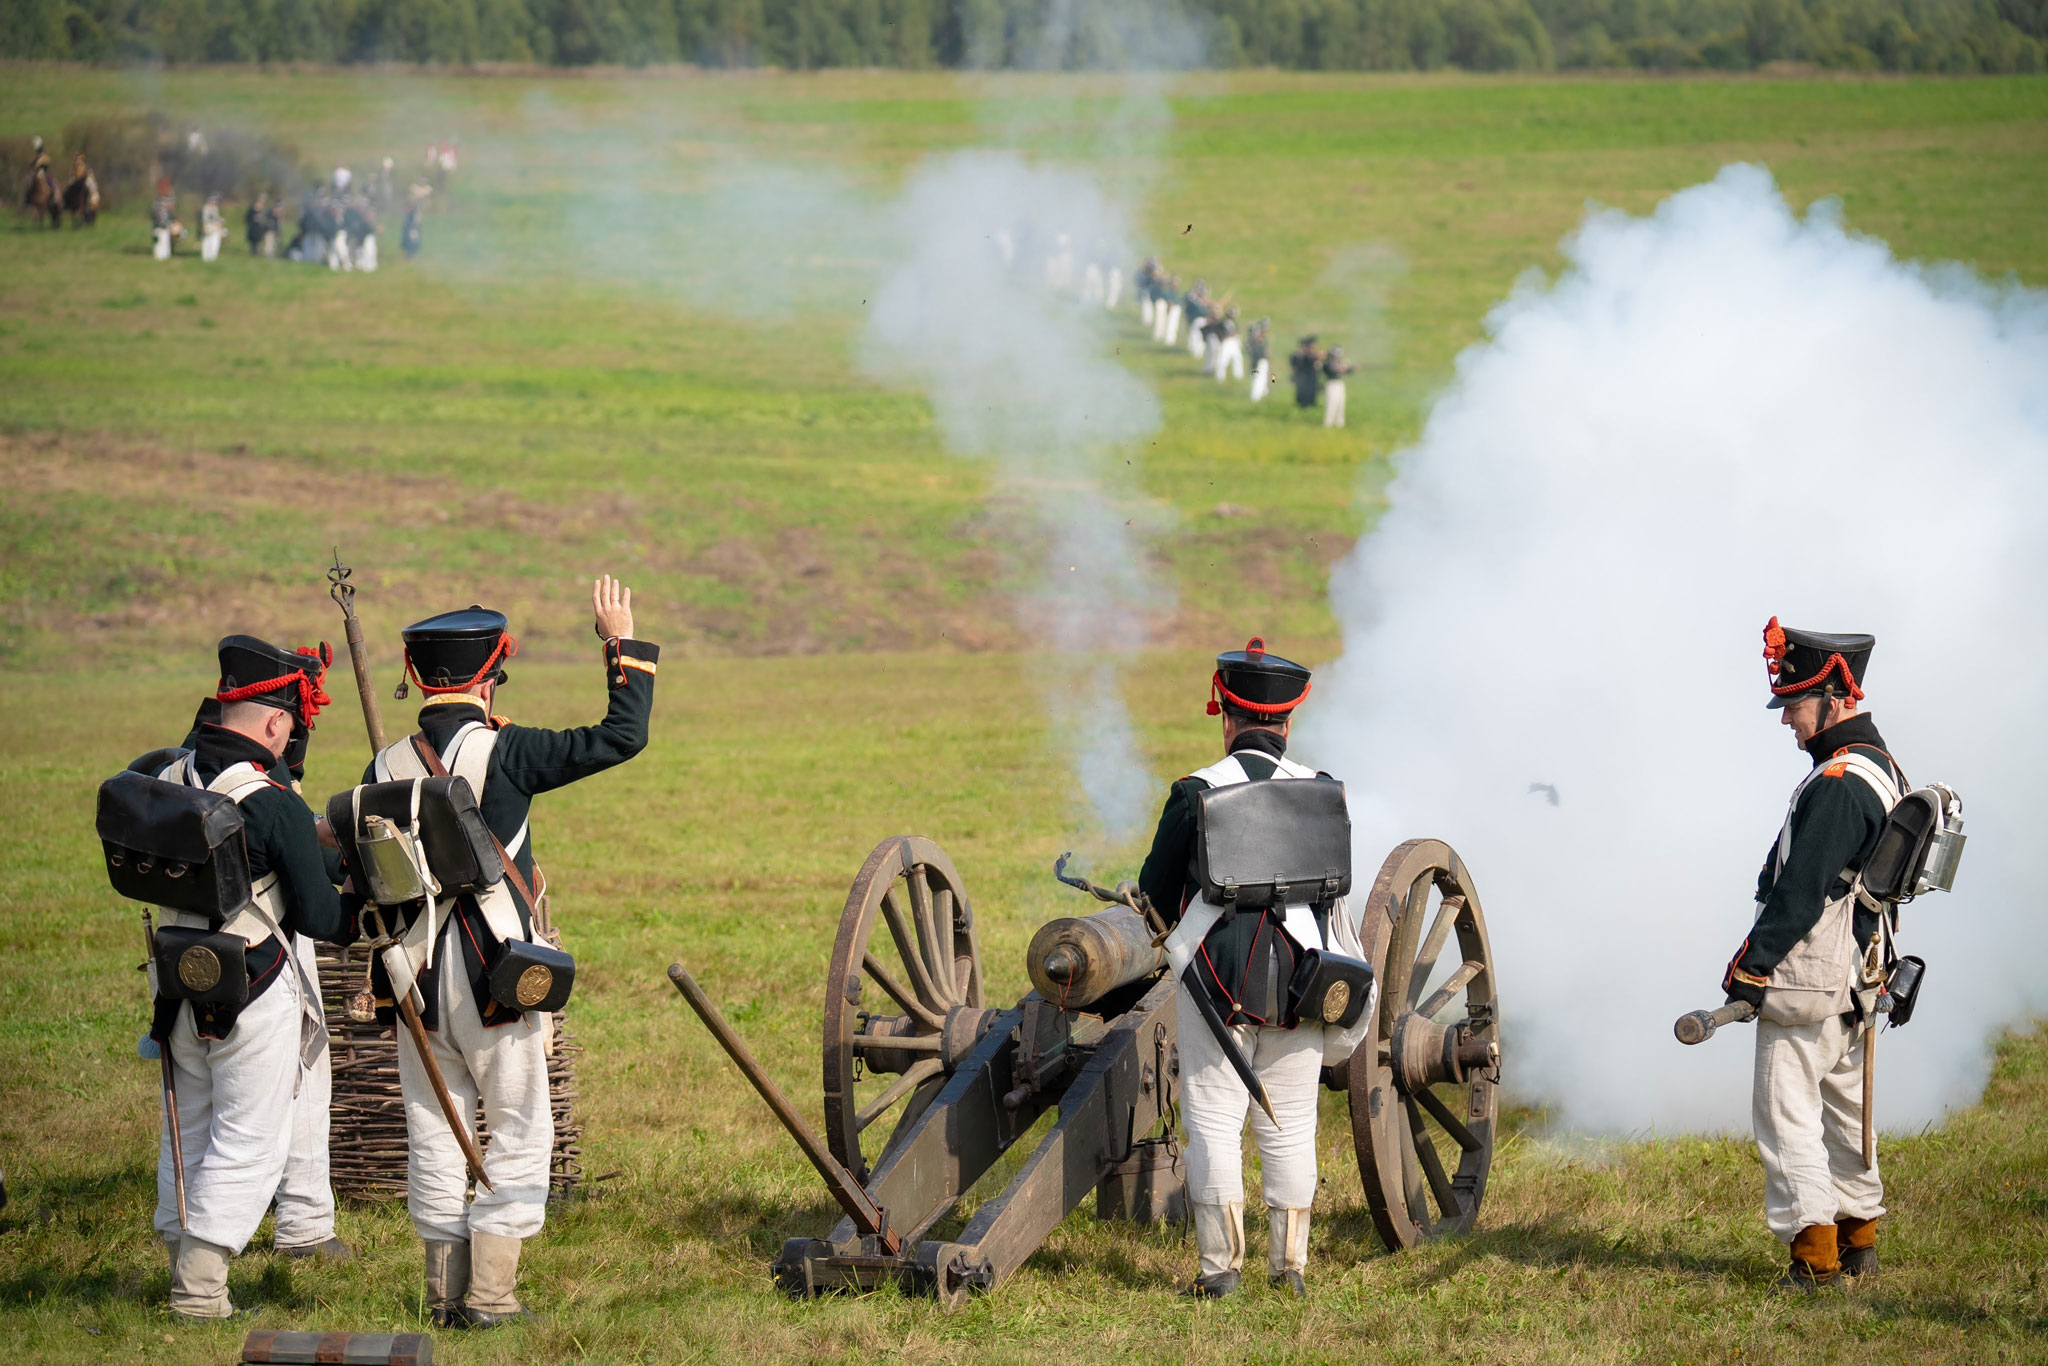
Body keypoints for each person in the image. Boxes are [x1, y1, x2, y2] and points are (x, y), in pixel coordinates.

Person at [364, 578, 657, 1328]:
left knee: (435, 1131)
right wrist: (619, 646)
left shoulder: (382, 767)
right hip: (493, 973)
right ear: (491, 673)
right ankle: (491, 1298)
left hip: (414, 978)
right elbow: (621, 737)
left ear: (418, 675)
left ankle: (443, 1296)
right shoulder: (509, 749)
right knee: (521, 1127)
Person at [1138, 639, 1363, 1299]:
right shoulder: (1321, 791)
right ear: (1286, 722)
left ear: (1227, 716)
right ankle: (1289, 1269)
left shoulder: (1194, 793)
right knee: (1290, 1124)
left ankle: (1220, 1271)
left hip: (1216, 980)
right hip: (1304, 980)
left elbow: (1153, 895)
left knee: (1213, 1119)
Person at [133, 637, 350, 1318]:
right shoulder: (272, 800)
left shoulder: (165, 774)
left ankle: (181, 1262)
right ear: (277, 721)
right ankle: (199, 1290)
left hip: (175, 981)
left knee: (187, 1129)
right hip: (254, 983)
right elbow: (318, 916)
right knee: (251, 1137)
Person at [1722, 620, 1903, 1293]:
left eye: (1794, 703)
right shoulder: (1881, 767)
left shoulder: (1838, 783)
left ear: (1835, 698)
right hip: (1859, 971)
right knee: (1849, 1110)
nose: (1786, 719)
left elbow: (1798, 894)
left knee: (1787, 1112)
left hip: (1810, 973)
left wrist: (1750, 968)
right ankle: (1860, 1240)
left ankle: (1814, 1258)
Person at [1321, 345, 1354, 427]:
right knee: (1332, 403)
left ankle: (1340, 423)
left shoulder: (1339, 363)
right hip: (1332, 384)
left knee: (1341, 403)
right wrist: (1341, 368)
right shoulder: (1327, 363)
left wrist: (1349, 369)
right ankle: (1328, 422)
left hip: (1339, 383)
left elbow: (1348, 371)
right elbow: (1331, 370)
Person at [63, 153, 99, 227]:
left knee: (92, 188)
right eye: (77, 159)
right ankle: (67, 203)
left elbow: (88, 173)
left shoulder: (84, 166)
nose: (77, 160)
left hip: (84, 180)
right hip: (77, 180)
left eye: (79, 158)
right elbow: (72, 174)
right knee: (68, 188)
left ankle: (92, 202)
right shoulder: (74, 166)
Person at [1289, 335, 1322, 410]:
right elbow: (1295, 364)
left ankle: (1310, 405)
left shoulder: (1311, 355)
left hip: (1311, 378)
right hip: (1302, 378)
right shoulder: (1298, 355)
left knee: (1311, 392)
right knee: (1302, 393)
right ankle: (1303, 405)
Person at [1211, 307, 1244, 382]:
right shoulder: (1223, 322)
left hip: (1234, 342)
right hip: (1227, 342)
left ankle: (1238, 376)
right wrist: (1232, 334)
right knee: (1223, 360)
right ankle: (1220, 376)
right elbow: (1222, 333)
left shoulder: (1233, 322)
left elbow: (1236, 331)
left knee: (1237, 359)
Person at [1247, 318, 1272, 402]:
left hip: (1258, 361)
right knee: (1258, 378)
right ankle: (1255, 397)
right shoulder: (1257, 334)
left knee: (1260, 377)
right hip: (1259, 361)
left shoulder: (1257, 334)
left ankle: (1263, 393)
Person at [200, 195, 226, 262]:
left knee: (215, 242)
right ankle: (208, 257)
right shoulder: (207, 208)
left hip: (214, 228)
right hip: (209, 228)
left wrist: (220, 221)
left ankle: (212, 256)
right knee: (208, 242)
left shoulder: (214, 208)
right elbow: (210, 219)